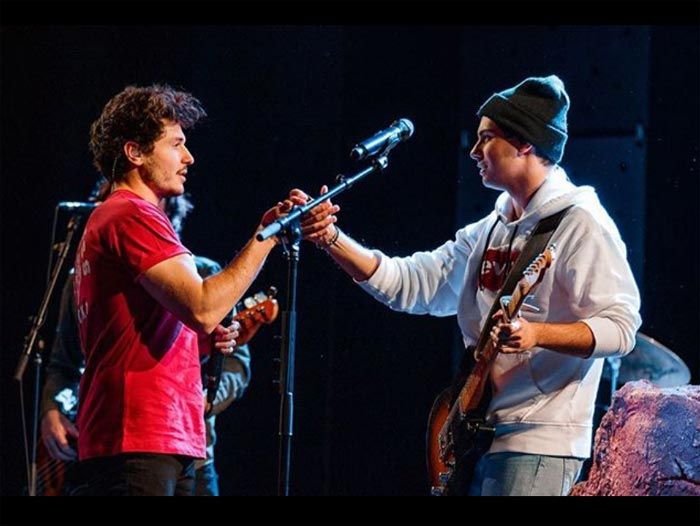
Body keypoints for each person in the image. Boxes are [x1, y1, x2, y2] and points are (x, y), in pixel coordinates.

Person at [294, 75, 642, 496]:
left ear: (525, 143)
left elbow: (621, 328)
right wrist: (331, 238)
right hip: (477, 436)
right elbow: (409, 283)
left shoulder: (582, 225)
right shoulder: (490, 229)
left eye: (487, 138)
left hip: (537, 439)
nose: (474, 150)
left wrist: (537, 334)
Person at [68, 84, 285, 495]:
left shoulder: (118, 217)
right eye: (176, 144)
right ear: (135, 152)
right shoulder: (131, 214)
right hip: (140, 437)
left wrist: (201, 341)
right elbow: (203, 307)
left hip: (159, 438)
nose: (189, 157)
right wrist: (268, 235)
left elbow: (135, 332)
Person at [39, 191, 251, 497]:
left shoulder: (205, 276)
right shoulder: (83, 278)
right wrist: (51, 410)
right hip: (114, 442)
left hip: (192, 448)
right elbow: (64, 363)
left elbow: (237, 363)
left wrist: (206, 398)